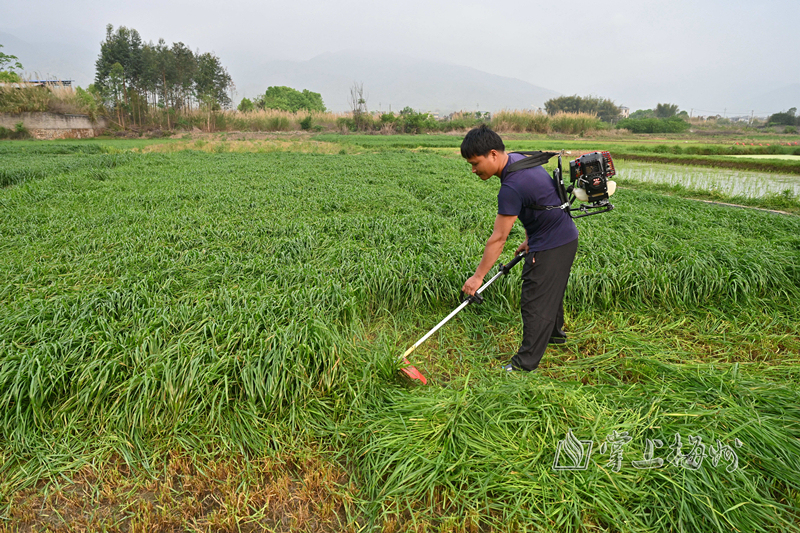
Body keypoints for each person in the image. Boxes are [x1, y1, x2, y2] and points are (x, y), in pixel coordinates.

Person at [460, 125, 578, 372]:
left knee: (535, 301)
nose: (473, 170)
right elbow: (537, 202)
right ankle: (555, 337)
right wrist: (529, 236)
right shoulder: (518, 159)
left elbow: (498, 239)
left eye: (475, 163)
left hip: (552, 243)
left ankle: (524, 365)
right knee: (551, 290)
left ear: (493, 154)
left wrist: (477, 277)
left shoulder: (510, 187)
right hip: (563, 237)